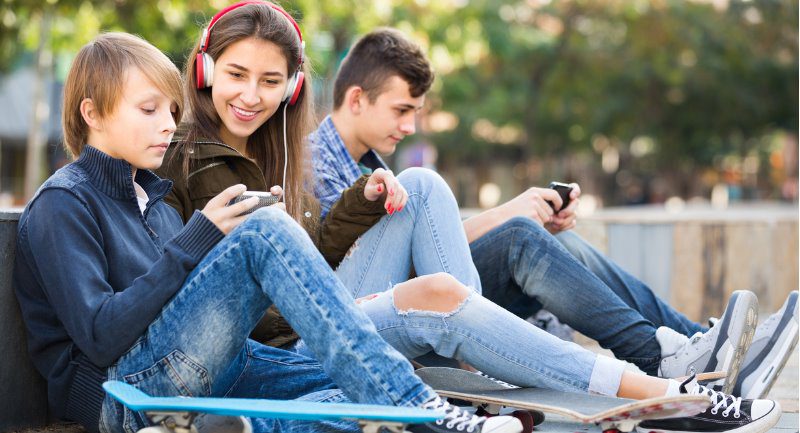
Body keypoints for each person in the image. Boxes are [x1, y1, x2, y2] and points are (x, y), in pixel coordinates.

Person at [155, 4, 782, 433]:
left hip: (312, 306)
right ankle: (668, 389)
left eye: (270, 81)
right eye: (236, 75)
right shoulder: (198, 157)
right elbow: (258, 284)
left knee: (426, 190)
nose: (251, 94)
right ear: (206, 71)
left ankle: (651, 357)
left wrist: (363, 202)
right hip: (287, 337)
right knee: (480, 265)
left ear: (292, 88)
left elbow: (305, 252)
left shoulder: (270, 147)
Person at [11, 32, 531, 433]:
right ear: (92, 113)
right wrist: (201, 242)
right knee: (264, 233)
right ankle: (429, 416)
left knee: (365, 380)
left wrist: (240, 268)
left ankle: (249, 428)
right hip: (122, 396)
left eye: (171, 110)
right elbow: (101, 336)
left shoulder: (155, 201)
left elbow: (182, 314)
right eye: (148, 110)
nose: (168, 125)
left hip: (207, 374)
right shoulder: (64, 203)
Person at [307, 27, 798, 401]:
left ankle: (703, 350)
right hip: (370, 322)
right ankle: (669, 359)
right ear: (356, 99)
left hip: (424, 304)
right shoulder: (316, 165)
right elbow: (377, 275)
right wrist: (508, 213)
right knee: (516, 233)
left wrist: (519, 214)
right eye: (401, 110)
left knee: (555, 240)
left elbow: (423, 250)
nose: (410, 125)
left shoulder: (368, 164)